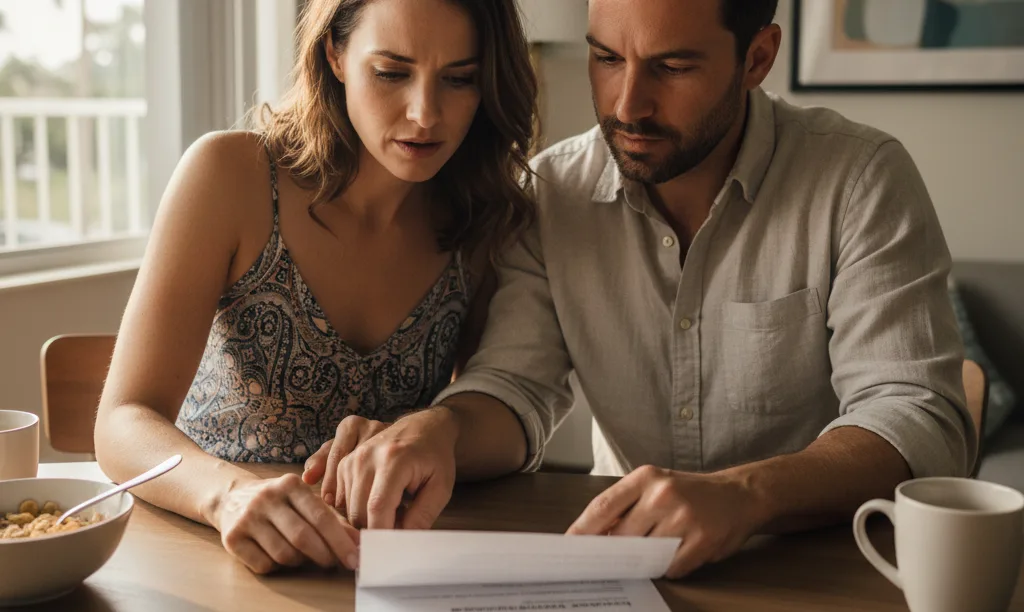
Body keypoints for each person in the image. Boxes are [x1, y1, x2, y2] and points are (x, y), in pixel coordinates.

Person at [302, 0, 974, 579]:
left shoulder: (860, 180)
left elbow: (918, 413)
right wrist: (440, 430)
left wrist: (745, 495)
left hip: (829, 570)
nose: (628, 105)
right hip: (637, 573)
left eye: (673, 67)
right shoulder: (550, 196)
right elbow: (515, 386)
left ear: (757, 57)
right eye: (606, 58)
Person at [93, 0, 537, 575]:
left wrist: (431, 435)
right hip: (208, 555)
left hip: (381, 570)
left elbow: (494, 407)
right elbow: (122, 421)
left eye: (459, 79)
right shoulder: (230, 176)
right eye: (392, 72)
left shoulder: (483, 220)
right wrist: (228, 496)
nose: (425, 114)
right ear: (336, 53)